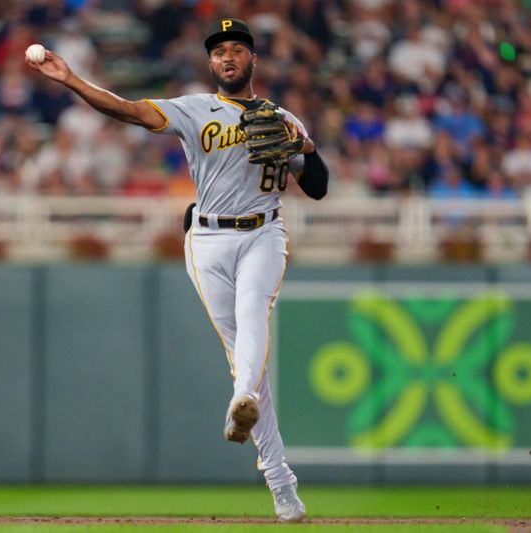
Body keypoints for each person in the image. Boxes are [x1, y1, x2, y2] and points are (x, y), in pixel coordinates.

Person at [26, 18, 328, 523]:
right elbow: (127, 110)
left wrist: (304, 148)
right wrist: (73, 80)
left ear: (253, 59)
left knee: (253, 318)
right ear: (210, 63)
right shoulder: (195, 108)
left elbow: (316, 186)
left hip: (264, 232)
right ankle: (279, 477)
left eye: (236, 49)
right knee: (244, 355)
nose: (227, 57)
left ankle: (245, 402)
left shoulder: (282, 118)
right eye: (218, 52)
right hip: (207, 238)